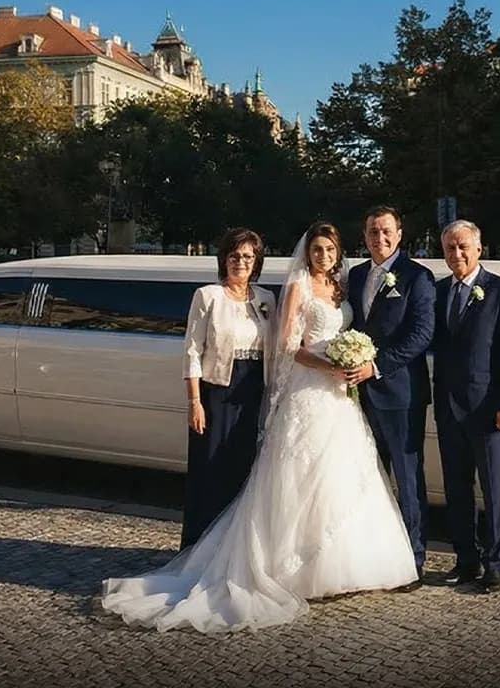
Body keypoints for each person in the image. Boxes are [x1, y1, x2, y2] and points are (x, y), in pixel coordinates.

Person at [99, 222, 418, 633]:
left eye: (329, 250)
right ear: (307, 254)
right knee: (288, 478)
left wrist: (349, 363)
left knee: (342, 476)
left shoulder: (340, 289)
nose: (323, 256)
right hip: (304, 390)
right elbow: (286, 346)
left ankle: (345, 565)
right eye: (316, 249)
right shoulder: (280, 291)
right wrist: (331, 365)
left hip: (337, 399)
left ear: (339, 254)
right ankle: (283, 567)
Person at [431, 219, 500, 593]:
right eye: (450, 248)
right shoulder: (439, 292)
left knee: (495, 490)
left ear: (478, 248)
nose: (456, 254)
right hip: (449, 407)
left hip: (488, 410)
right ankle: (465, 560)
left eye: (463, 247)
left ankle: (496, 564)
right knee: (456, 488)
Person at [344, 205, 436, 580]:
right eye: (371, 232)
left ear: (399, 234)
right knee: (367, 475)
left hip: (400, 395)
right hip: (355, 396)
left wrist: (376, 365)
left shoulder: (418, 277)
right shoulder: (355, 275)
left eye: (385, 231)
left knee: (407, 476)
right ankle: (373, 551)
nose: (378, 238)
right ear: (364, 236)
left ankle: (413, 557)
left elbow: (421, 334)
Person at [177, 228, 276, 550]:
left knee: (243, 470)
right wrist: (195, 401)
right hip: (216, 391)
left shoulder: (266, 299)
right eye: (234, 256)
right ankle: (198, 548)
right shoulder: (207, 296)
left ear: (256, 261)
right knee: (210, 469)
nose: (241, 262)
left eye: (248, 256)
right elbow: (192, 350)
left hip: (252, 391)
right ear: (224, 259)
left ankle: (231, 550)